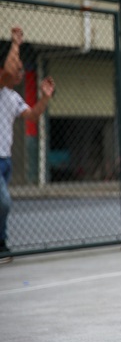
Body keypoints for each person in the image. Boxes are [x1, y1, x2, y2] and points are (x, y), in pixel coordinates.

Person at [0, 27, 55, 264]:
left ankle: (1, 243)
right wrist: (16, 44)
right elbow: (9, 69)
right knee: (4, 202)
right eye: (18, 69)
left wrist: (45, 97)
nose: (20, 73)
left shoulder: (13, 97)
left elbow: (32, 115)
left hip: (5, 160)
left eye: (23, 70)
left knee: (1, 205)